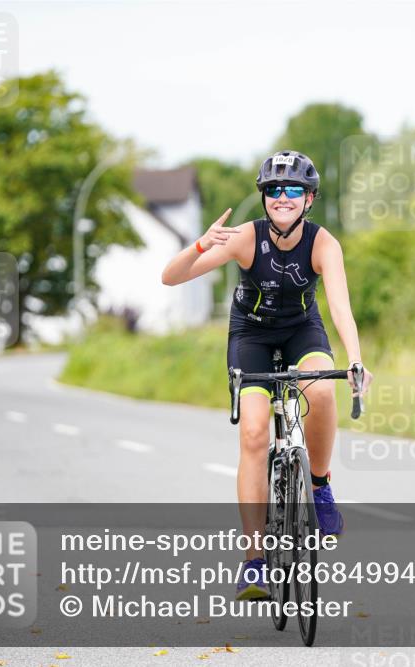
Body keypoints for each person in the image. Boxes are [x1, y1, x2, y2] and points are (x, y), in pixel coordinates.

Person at [161, 150, 373, 600]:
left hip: (301, 330)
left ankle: (319, 486)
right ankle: (255, 562)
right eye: (273, 190)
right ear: (264, 197)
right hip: (251, 337)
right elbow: (170, 277)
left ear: (309, 198)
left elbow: (340, 307)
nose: (282, 197)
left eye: (292, 189)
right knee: (256, 434)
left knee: (321, 390)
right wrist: (201, 243)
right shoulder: (244, 238)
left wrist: (355, 360)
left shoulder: (322, 244)